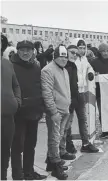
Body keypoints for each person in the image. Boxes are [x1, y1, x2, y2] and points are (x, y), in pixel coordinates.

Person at [9, 40, 46, 180]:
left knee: (31, 145)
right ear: (18, 51)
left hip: (34, 111)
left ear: (33, 52)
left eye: (28, 50)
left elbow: (39, 88)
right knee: (17, 146)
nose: (25, 53)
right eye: (22, 50)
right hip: (18, 113)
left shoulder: (36, 67)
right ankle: (17, 176)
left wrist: (41, 107)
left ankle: (29, 172)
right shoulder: (10, 66)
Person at [41, 45, 72, 180]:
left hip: (64, 109)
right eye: (61, 57)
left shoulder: (64, 70)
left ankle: (50, 162)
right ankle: (55, 166)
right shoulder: (47, 70)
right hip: (56, 111)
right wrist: (53, 111)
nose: (64, 59)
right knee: (54, 138)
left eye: (65, 57)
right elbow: (47, 93)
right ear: (55, 57)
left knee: (59, 137)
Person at [65, 43, 99, 153]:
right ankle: (68, 143)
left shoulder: (84, 59)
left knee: (83, 118)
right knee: (68, 121)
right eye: (80, 48)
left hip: (82, 92)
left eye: (84, 48)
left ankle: (85, 143)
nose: (82, 50)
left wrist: (90, 73)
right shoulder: (70, 60)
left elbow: (89, 67)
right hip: (70, 93)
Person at [1, 35, 22, 180]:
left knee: (4, 153)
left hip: (8, 116)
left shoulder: (7, 64)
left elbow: (16, 85)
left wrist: (17, 101)